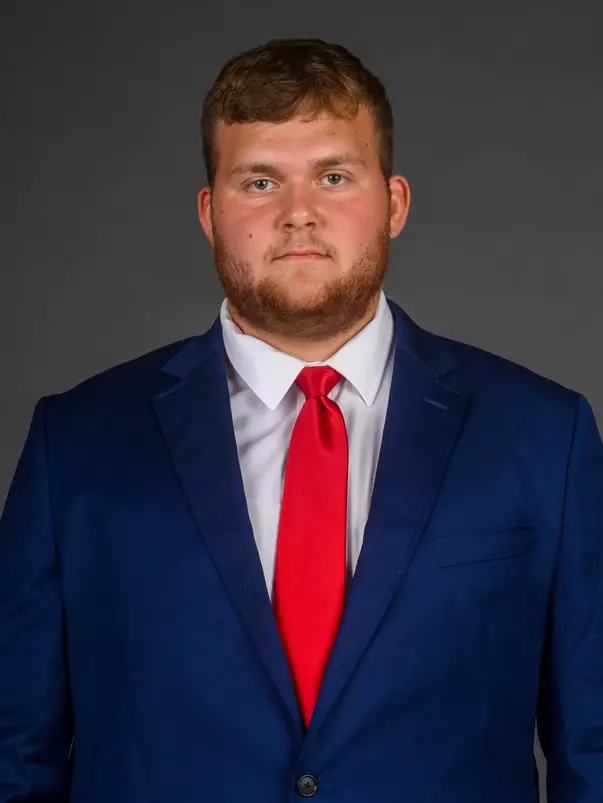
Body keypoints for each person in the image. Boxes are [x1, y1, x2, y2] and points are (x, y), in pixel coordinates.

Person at [0, 36, 601, 803]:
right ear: (210, 213)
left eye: (333, 175)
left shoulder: (543, 438)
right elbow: (17, 753)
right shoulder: (75, 444)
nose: (297, 215)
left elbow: (594, 746)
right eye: (258, 181)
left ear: (394, 203)